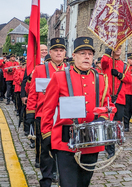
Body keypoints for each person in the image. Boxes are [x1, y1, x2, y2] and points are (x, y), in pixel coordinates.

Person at [41, 37, 114, 187]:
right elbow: (48, 108)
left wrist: (102, 117)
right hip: (65, 140)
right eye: (82, 53)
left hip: (91, 141)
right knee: (68, 183)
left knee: (83, 183)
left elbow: (109, 105)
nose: (87, 56)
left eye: (89, 53)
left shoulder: (100, 79)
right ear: (73, 56)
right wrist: (47, 134)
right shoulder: (59, 77)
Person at [26, 38, 67, 186]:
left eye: (61, 50)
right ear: (50, 53)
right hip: (44, 114)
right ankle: (47, 177)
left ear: (65, 53)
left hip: (63, 115)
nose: (58, 53)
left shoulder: (68, 70)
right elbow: (32, 93)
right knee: (45, 147)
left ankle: (58, 171)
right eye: (55, 50)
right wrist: (30, 113)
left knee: (62, 147)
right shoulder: (40, 69)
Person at [101, 45, 132, 157]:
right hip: (108, 98)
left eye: (120, 47)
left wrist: (119, 75)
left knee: (116, 123)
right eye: (116, 47)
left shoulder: (124, 65)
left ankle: (113, 143)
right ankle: (110, 148)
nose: (118, 49)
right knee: (108, 123)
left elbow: (129, 80)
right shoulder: (108, 61)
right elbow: (103, 62)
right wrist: (108, 50)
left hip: (119, 98)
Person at [123, 53, 132, 131]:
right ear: (128, 59)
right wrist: (130, 76)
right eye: (130, 59)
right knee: (126, 109)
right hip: (127, 90)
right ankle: (126, 125)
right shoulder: (125, 67)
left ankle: (128, 120)